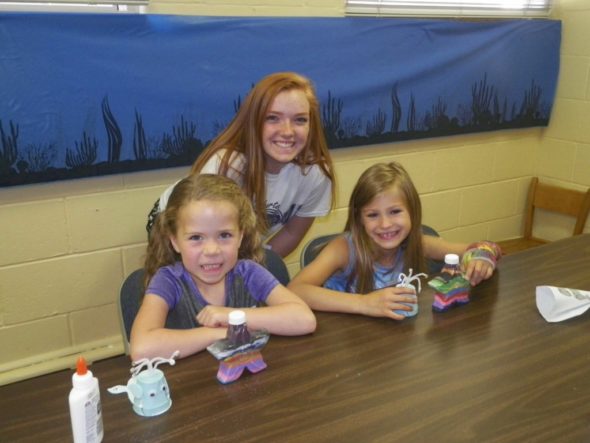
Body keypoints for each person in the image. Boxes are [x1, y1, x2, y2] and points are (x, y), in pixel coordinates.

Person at [146, 71, 336, 258]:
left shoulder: (316, 173)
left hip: (232, 238)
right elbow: (201, 240)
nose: (287, 131)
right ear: (254, 121)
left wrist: (255, 267)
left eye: (300, 120)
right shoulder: (228, 166)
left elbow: (292, 234)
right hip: (182, 225)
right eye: (272, 118)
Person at [131, 174, 317, 361]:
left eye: (225, 235)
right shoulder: (168, 281)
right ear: (175, 242)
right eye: (196, 237)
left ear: (240, 237)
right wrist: (225, 332)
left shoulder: (248, 272)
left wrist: (232, 316)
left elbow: (304, 320)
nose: (212, 250)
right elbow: (141, 348)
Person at [288, 162, 501, 320]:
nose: (385, 224)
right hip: (352, 346)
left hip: (399, 344)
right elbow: (295, 290)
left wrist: (481, 258)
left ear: (412, 212)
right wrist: (363, 303)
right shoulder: (344, 249)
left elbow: (480, 248)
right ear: (359, 218)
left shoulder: (416, 242)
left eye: (395, 211)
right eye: (372, 215)